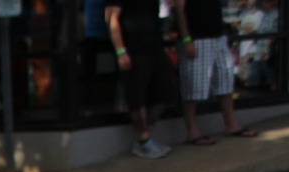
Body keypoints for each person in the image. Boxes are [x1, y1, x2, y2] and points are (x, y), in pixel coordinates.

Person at [176, 0, 260, 144]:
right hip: (197, 39)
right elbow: (179, 11)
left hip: (218, 36)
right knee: (193, 86)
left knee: (225, 80)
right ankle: (192, 131)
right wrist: (187, 39)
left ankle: (231, 125)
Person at [106, 0, 178, 158]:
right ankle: (143, 140)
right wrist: (120, 51)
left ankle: (146, 136)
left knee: (165, 90)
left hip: (154, 46)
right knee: (136, 97)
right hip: (133, 49)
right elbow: (112, 18)